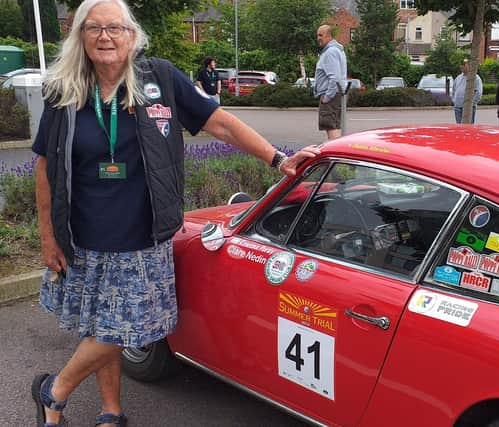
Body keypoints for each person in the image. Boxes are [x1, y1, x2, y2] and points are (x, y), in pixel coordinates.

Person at [30, 1, 319, 426]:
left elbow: (220, 123)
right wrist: (48, 237)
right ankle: (111, 412)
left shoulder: (160, 79)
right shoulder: (64, 90)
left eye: (115, 27)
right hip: (82, 236)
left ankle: (52, 393)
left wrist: (278, 159)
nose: (105, 37)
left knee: (125, 328)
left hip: (143, 235)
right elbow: (44, 166)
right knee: (101, 327)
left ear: (132, 34)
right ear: (80, 35)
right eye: (94, 28)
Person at [314, 24, 347, 140]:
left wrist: (327, 97)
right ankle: (337, 154)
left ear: (329, 36)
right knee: (334, 126)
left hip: (330, 96)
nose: (318, 38)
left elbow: (334, 78)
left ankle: (335, 156)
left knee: (331, 126)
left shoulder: (331, 52)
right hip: (334, 94)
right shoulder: (336, 50)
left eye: (320, 35)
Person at [452, 58, 483, 124]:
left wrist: (471, 103)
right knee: (459, 127)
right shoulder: (458, 77)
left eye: (463, 64)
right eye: (461, 65)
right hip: (457, 107)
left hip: (468, 108)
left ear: (469, 65)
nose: (461, 66)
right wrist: (454, 100)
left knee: (468, 127)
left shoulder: (475, 78)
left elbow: (479, 92)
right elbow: (454, 90)